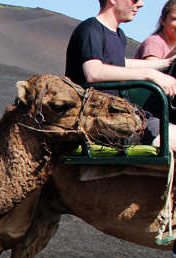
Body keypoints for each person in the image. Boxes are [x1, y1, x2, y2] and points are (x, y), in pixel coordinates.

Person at [65, 0, 176, 150]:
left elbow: (119, 63)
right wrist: (150, 74)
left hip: (126, 115)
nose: (141, 4)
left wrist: (165, 63)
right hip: (105, 121)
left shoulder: (119, 34)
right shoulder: (91, 30)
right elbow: (93, 72)